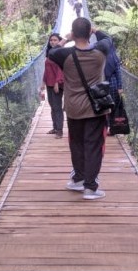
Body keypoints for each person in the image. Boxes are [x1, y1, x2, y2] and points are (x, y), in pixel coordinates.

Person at [47, 17, 112, 200]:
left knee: (76, 144)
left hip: (74, 108)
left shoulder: (64, 55)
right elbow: (107, 39)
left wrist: (66, 39)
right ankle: (90, 187)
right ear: (89, 32)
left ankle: (78, 179)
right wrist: (95, 31)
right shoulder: (101, 51)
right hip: (95, 108)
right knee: (93, 146)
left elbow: (52, 51)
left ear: (74, 34)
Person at [40, 33, 65, 138]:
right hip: (49, 83)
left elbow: (61, 69)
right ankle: (55, 127)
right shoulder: (49, 53)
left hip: (57, 84)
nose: (53, 42)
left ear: (59, 41)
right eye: (51, 40)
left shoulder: (61, 53)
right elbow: (47, 70)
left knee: (57, 107)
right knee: (52, 106)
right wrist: (43, 82)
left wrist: (57, 83)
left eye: (55, 40)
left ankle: (60, 130)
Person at [104, 38, 123, 132]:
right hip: (111, 84)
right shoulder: (113, 56)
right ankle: (109, 127)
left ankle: (110, 127)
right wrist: (119, 87)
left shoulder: (104, 56)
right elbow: (118, 73)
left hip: (107, 84)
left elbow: (118, 72)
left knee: (108, 106)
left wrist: (120, 87)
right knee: (110, 106)